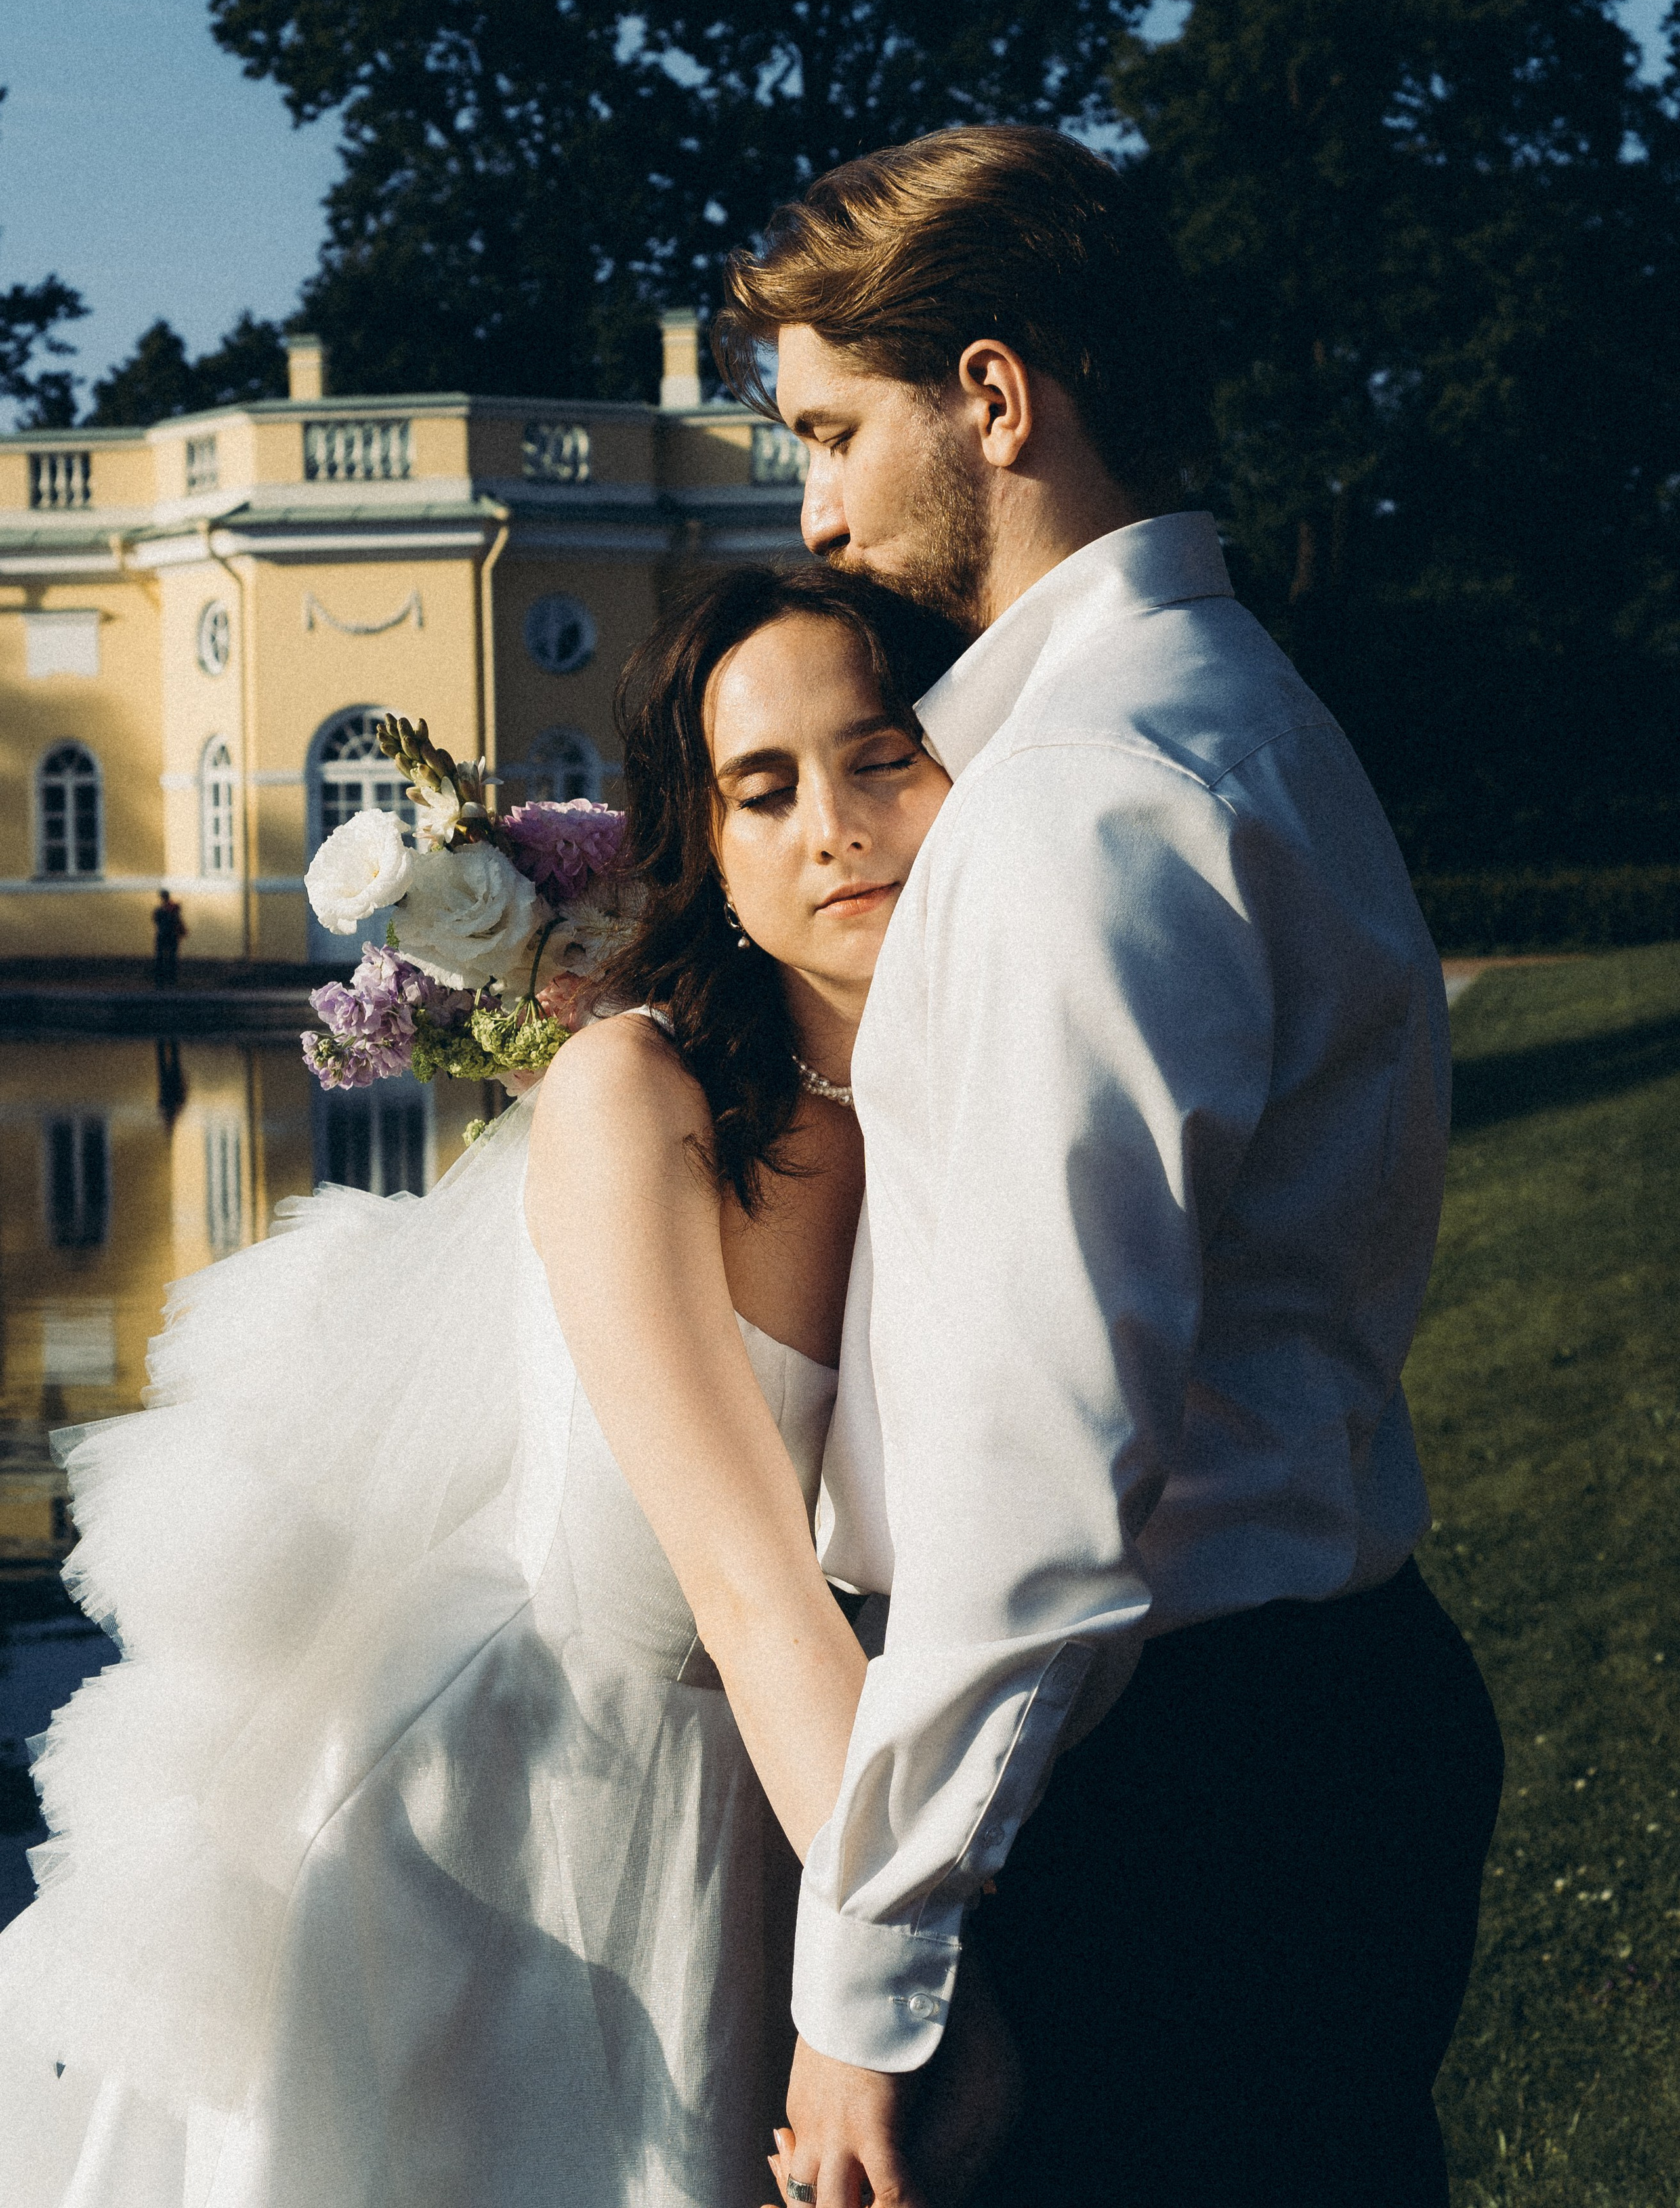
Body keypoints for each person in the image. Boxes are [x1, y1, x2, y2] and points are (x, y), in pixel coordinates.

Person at [714, 125, 1505, 2208]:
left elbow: (1040, 1475)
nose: (813, 511)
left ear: (991, 396)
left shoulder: (1080, 798)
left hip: (1174, 1784)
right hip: (1305, 1709)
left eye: (831, 434)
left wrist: (868, 1973)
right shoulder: (1243, 712)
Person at [0, 566, 966, 2208]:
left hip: (768, 1783)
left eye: (881, 758)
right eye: (763, 789)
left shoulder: (956, 1091)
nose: (834, 829)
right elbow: (750, 1589)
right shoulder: (632, 1092)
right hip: (501, 1827)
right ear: (709, 852)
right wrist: (916, 1979)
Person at [151, 888, 187, 988]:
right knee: (171, 958)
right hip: (172, 935)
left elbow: (156, 921)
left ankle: (160, 981)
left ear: (162, 897)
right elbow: (177, 920)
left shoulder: (159, 910)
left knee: (161, 958)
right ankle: (171, 980)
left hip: (163, 935)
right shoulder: (174, 908)